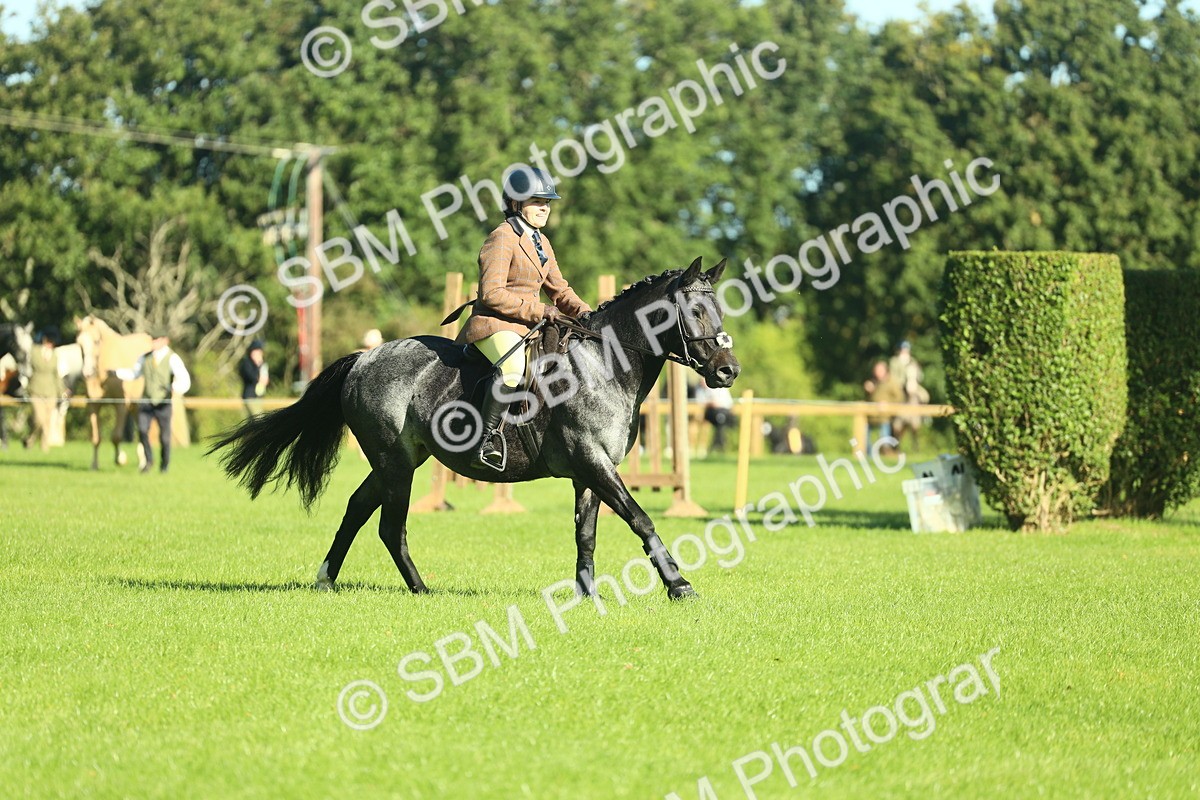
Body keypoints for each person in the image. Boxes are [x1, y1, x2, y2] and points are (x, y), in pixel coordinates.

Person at [460, 167, 591, 471]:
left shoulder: (542, 243)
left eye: (547, 202)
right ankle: (486, 441)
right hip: (496, 324)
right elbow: (492, 293)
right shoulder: (503, 237)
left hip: (528, 328)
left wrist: (588, 314)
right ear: (516, 204)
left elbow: (560, 290)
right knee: (513, 367)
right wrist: (540, 311)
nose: (544, 208)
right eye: (536, 201)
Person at [117, 332, 191, 473]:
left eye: (157, 339)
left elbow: (184, 379)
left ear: (165, 340)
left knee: (164, 437)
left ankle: (164, 465)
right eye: (153, 340)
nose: (154, 343)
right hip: (146, 402)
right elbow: (134, 373)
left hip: (163, 403)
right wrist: (116, 373)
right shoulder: (145, 358)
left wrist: (175, 388)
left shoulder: (172, 358)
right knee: (143, 431)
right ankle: (149, 460)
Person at [25, 330, 64, 452]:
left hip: (51, 391)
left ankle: (44, 446)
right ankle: (31, 437)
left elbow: (56, 375)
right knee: (39, 419)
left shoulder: (55, 355)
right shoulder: (34, 352)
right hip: (36, 389)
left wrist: (61, 390)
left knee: (48, 420)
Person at [888, 340, 930, 450]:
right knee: (897, 424)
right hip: (900, 391)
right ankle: (895, 445)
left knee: (924, 396)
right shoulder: (894, 361)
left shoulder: (913, 362)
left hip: (913, 388)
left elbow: (919, 376)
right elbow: (893, 377)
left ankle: (926, 416)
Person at [863, 359, 903, 452]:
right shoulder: (874, 382)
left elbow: (900, 398)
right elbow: (868, 399)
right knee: (865, 439)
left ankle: (885, 457)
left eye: (880, 370)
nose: (877, 373)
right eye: (876, 370)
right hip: (871, 416)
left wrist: (888, 404)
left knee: (884, 442)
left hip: (885, 417)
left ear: (885, 370)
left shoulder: (892, 382)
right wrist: (867, 390)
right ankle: (870, 456)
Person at [696, 383, 736, 454]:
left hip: (723, 411)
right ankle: (718, 447)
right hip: (712, 413)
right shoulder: (700, 389)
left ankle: (717, 446)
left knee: (720, 424)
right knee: (720, 424)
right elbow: (701, 403)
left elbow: (723, 403)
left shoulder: (718, 387)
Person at [239, 340, 269, 418]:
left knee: (254, 421)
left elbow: (265, 379)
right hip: (249, 397)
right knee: (257, 419)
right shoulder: (246, 363)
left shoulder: (262, 364)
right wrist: (258, 366)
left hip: (258, 396)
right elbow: (252, 377)